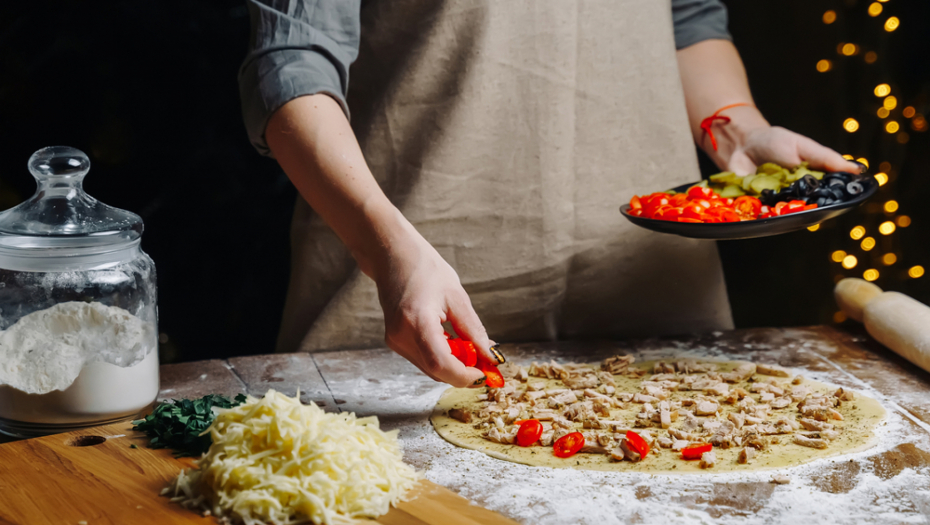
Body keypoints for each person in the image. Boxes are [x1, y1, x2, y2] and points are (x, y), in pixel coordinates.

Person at [238, 0, 859, 389]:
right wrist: (384, 247)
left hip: (650, 286)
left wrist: (738, 129)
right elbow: (292, 62)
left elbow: (688, 17)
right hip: (411, 267)